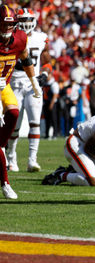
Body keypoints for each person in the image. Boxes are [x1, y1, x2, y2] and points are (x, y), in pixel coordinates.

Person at [0, 5, 43, 199]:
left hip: (5, 86)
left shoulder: (20, 38)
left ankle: (2, 145)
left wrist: (34, 82)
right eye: (3, 24)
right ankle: (6, 182)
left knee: (14, 114)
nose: (7, 29)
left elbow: (25, 59)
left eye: (10, 25)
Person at [6, 8, 51, 172]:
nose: (26, 24)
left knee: (35, 123)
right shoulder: (11, 37)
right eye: (22, 20)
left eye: (28, 20)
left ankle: (32, 160)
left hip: (34, 85)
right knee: (14, 124)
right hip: (15, 84)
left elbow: (47, 60)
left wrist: (45, 74)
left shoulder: (41, 38)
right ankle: (11, 158)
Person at [42, 115, 95, 186]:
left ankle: (75, 170)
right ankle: (61, 175)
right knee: (94, 180)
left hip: (88, 148)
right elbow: (89, 148)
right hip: (76, 144)